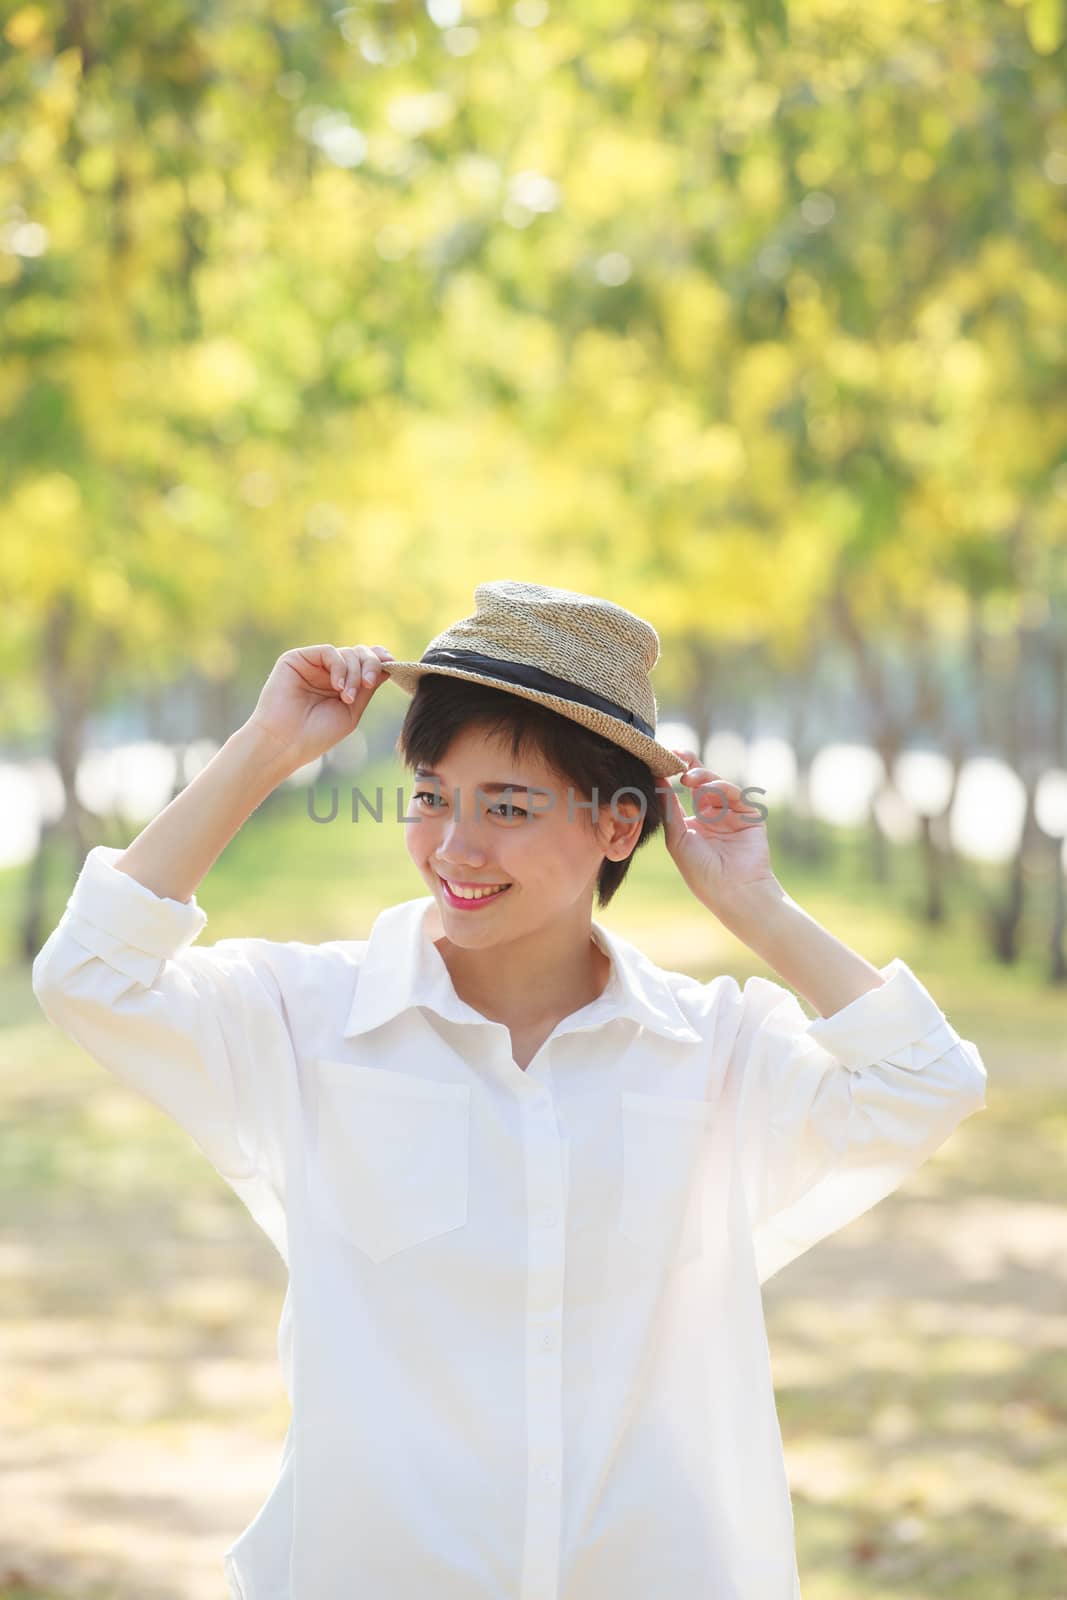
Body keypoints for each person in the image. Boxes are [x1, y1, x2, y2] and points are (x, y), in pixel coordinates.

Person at [31, 579, 987, 1600]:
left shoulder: (711, 1048)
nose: (454, 847)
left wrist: (755, 905)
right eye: (432, 794)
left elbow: (925, 1080)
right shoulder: (307, 1019)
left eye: (509, 806)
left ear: (619, 827)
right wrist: (265, 746)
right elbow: (90, 975)